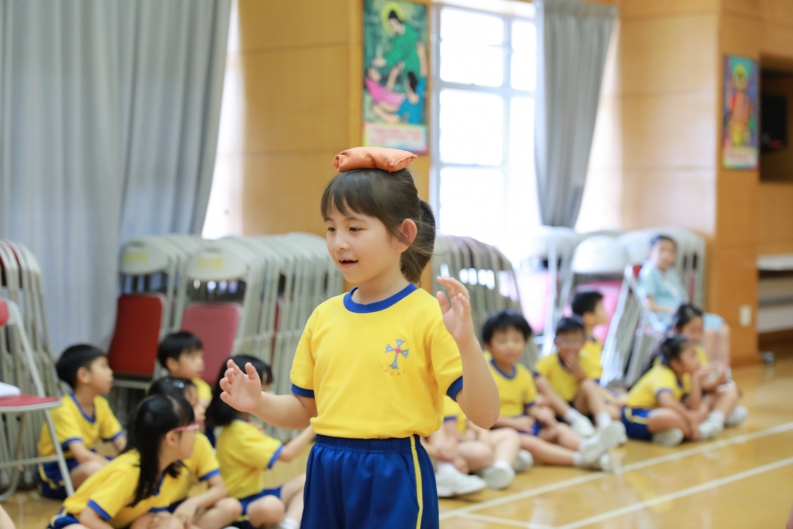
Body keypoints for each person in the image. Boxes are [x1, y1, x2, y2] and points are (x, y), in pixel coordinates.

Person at [219, 148, 500, 529]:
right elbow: (304, 409)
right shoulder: (323, 317)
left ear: (403, 234)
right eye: (331, 228)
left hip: (393, 473)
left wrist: (467, 344)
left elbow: (485, 415)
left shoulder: (430, 315)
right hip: (326, 467)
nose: (339, 242)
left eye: (354, 228)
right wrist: (259, 402)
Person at [483, 311, 619, 470]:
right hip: (502, 431)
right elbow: (478, 416)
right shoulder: (483, 371)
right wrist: (512, 423)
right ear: (489, 345)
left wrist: (540, 413)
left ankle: (590, 447)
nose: (511, 346)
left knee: (560, 429)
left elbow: (530, 406)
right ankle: (582, 460)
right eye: (502, 341)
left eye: (517, 340)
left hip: (525, 425)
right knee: (531, 443)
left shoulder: (523, 374)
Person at [46, 394, 197, 529]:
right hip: (75, 522)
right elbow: (88, 518)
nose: (196, 435)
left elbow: (154, 516)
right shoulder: (128, 471)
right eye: (193, 428)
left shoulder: (163, 469)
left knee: (170, 524)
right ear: (171, 438)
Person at [207, 356, 313, 529]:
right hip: (239, 502)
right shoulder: (240, 431)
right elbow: (287, 455)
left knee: (307, 480)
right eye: (264, 385)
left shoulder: (242, 425)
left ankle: (289, 525)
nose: (267, 390)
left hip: (257, 494)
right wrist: (315, 424)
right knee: (272, 507)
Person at [146, 377, 241, 529]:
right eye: (194, 404)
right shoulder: (152, 446)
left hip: (180, 508)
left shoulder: (199, 441)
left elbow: (219, 489)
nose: (202, 409)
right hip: (151, 515)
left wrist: (192, 503)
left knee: (230, 506)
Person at [39, 345, 126, 499]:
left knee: (131, 465)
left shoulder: (101, 404)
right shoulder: (63, 408)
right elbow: (82, 456)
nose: (110, 372)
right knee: (94, 469)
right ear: (83, 375)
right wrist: (119, 470)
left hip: (86, 462)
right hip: (59, 472)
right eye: (104, 366)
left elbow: (121, 444)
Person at [638, 235, 730, 364]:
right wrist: (674, 310)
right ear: (649, 252)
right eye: (661, 250)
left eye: (671, 251)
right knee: (708, 332)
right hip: (669, 318)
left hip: (684, 313)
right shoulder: (649, 273)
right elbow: (649, 305)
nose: (666, 255)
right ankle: (705, 371)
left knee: (723, 328)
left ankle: (723, 369)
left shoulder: (670, 272)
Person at [535, 318, 627, 442]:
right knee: (539, 381)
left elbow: (595, 386)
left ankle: (605, 425)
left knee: (588, 384)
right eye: (566, 341)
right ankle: (577, 420)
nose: (571, 346)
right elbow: (535, 381)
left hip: (579, 405)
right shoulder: (548, 361)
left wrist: (580, 374)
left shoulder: (586, 360)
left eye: (575, 341)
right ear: (556, 342)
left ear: (583, 342)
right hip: (556, 406)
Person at [622, 335, 720, 446]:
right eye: (692, 356)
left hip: (657, 413)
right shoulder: (663, 373)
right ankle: (697, 432)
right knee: (670, 416)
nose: (697, 360)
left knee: (703, 406)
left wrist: (696, 380)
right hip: (634, 415)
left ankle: (665, 434)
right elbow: (666, 402)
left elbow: (694, 406)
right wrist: (690, 419)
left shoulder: (685, 375)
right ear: (676, 364)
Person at [670, 304, 747, 431]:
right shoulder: (671, 356)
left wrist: (718, 381)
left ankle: (715, 419)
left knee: (730, 391)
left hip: (696, 397)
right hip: (683, 401)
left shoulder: (697, 350)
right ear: (677, 330)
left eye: (700, 331)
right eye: (692, 331)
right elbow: (683, 393)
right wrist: (698, 382)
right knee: (704, 407)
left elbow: (703, 384)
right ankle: (717, 418)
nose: (697, 336)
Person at [433, 396, 525, 490]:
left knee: (509, 434)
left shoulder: (460, 398)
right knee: (482, 451)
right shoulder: (446, 400)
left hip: (468, 439)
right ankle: (498, 461)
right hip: (456, 444)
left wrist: (483, 432)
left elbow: (468, 422)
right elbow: (452, 435)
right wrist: (472, 436)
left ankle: (500, 467)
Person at [158, 332, 213, 407]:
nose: (200, 362)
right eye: (193, 358)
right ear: (172, 364)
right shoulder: (159, 387)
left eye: (201, 357)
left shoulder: (202, 387)